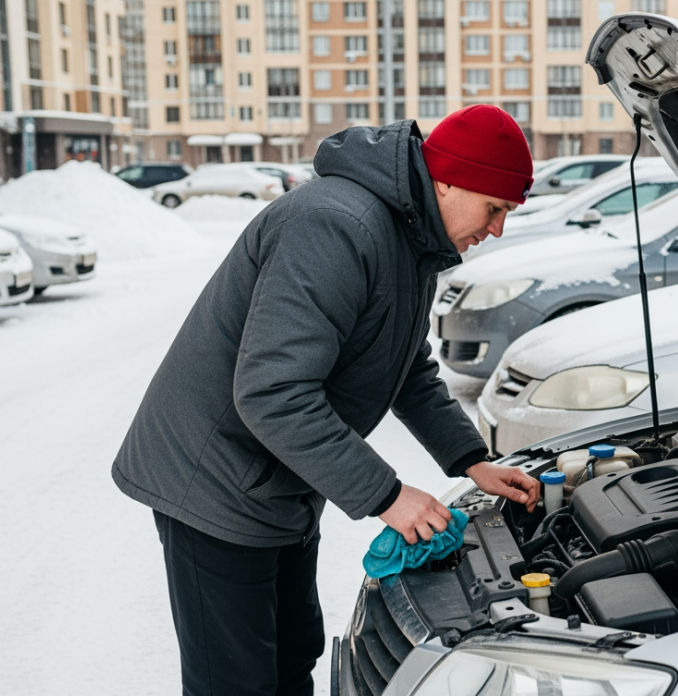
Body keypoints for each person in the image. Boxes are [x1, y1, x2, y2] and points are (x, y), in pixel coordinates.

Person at [111, 105, 541, 696]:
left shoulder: (412, 240)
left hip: (278, 478)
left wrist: (472, 461)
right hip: (213, 482)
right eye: (494, 208)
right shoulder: (337, 227)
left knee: (293, 655)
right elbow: (273, 392)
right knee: (236, 682)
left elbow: (407, 369)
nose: (497, 230)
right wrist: (388, 495)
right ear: (447, 181)